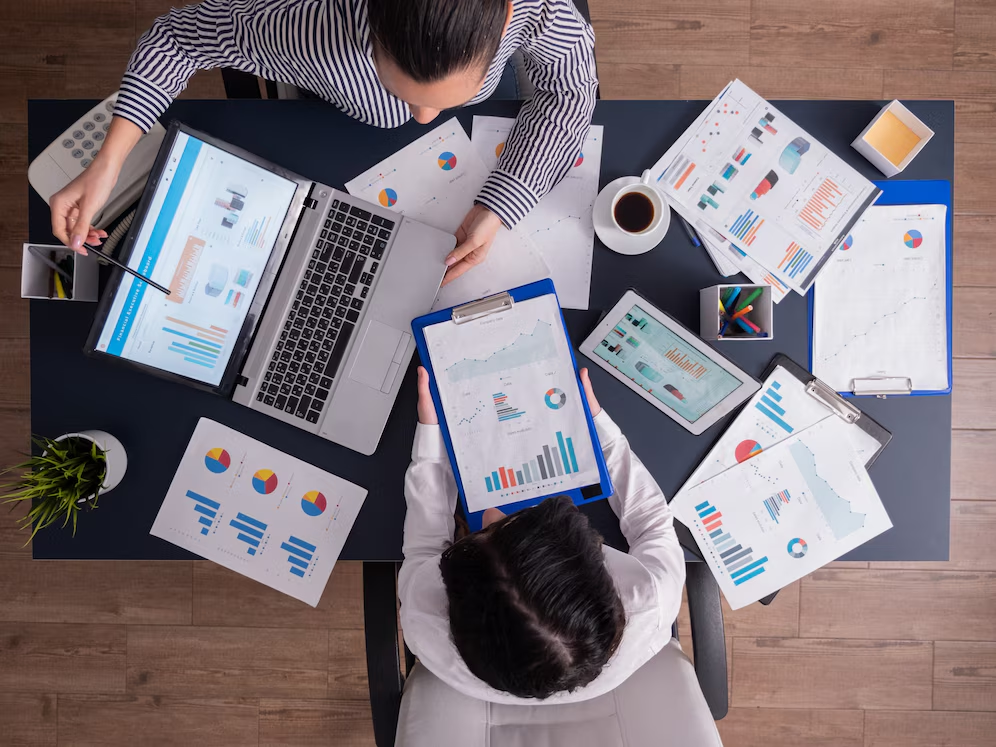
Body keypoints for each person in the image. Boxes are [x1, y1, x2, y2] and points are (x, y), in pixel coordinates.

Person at [49, 0, 598, 286]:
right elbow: (177, 39)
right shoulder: (308, 28)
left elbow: (570, 89)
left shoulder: (537, 9)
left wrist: (500, 205)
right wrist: (108, 163)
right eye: (401, 89)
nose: (425, 118)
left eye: (450, 95)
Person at [400, 366, 685, 703]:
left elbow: (424, 548)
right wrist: (595, 426)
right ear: (591, 559)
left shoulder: (426, 620)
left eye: (484, 531)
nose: (493, 510)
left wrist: (432, 443)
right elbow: (651, 520)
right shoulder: (651, 599)